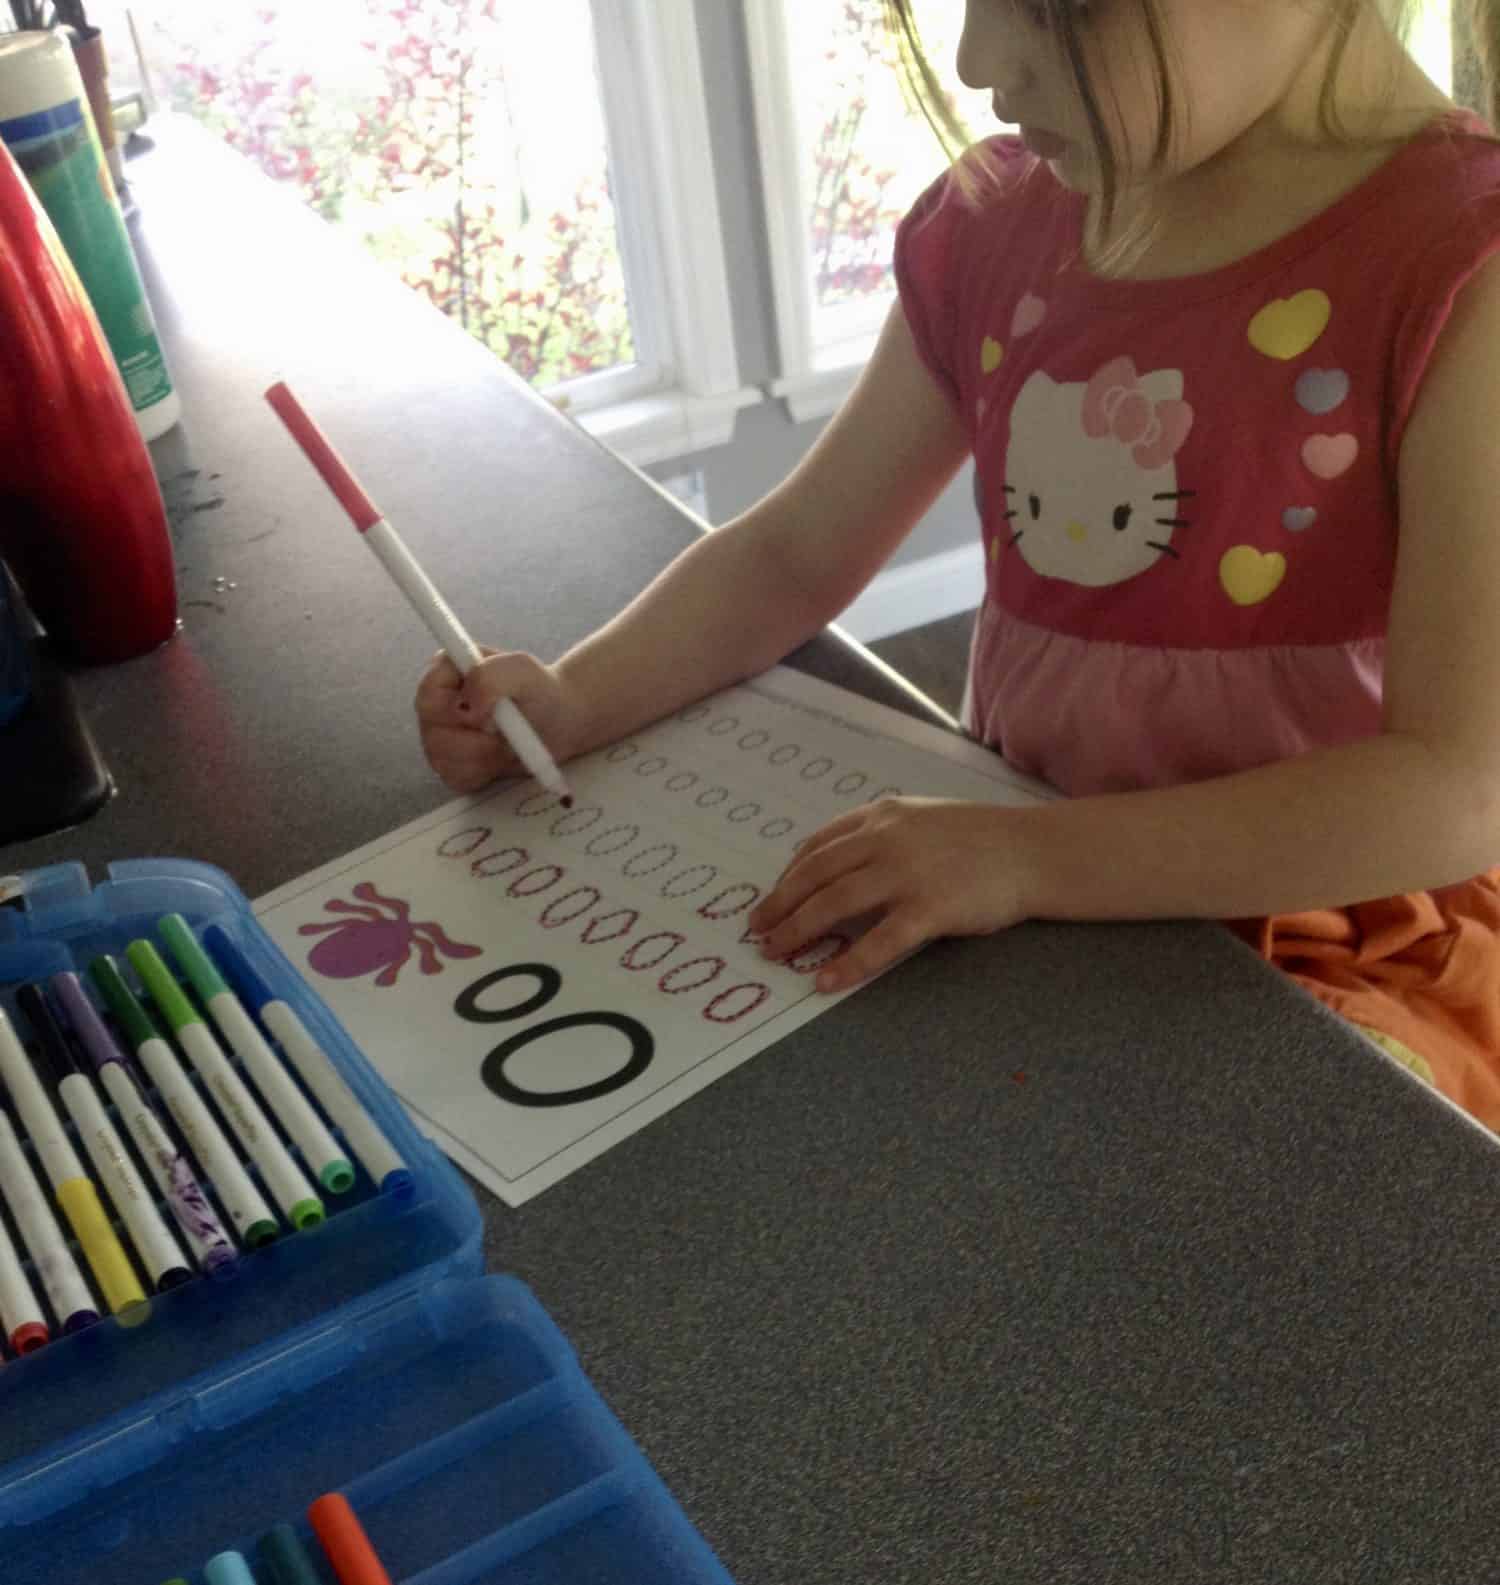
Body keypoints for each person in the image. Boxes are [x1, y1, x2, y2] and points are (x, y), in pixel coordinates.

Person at [417, 0, 1500, 1131]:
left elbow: (1458, 785)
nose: (981, 62)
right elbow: (793, 552)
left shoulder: (1464, 267)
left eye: (1046, 7)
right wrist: (578, 698)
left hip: (1344, 939)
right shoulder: (1001, 225)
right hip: (1020, 885)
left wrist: (1031, 858)